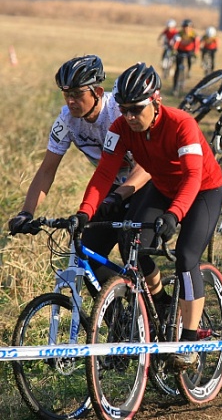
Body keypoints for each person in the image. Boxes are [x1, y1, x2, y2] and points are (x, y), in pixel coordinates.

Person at [72, 62, 222, 370]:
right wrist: (84, 213)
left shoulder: (182, 124)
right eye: (123, 109)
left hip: (203, 190)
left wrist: (174, 214)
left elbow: (193, 176)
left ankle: (190, 342)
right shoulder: (120, 129)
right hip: (164, 186)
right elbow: (104, 174)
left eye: (135, 109)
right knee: (133, 244)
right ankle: (161, 302)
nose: (129, 117)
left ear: (155, 101)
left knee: (186, 255)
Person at [8, 55, 151, 293]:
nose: (71, 101)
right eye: (66, 94)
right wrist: (26, 212)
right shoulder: (66, 121)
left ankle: (161, 305)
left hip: (145, 185)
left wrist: (118, 196)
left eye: (77, 94)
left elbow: (144, 166)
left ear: (97, 91)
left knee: (131, 248)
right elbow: (46, 170)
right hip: (112, 188)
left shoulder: (119, 114)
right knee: (87, 258)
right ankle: (121, 318)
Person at [172, 19, 199, 88]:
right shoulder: (179, 34)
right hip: (180, 50)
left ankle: (189, 70)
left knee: (189, 60)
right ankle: (175, 86)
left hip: (189, 50)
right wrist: (174, 50)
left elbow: (196, 43)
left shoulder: (193, 34)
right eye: (185, 27)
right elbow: (176, 43)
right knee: (177, 68)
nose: (186, 29)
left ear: (191, 27)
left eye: (188, 27)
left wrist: (195, 52)